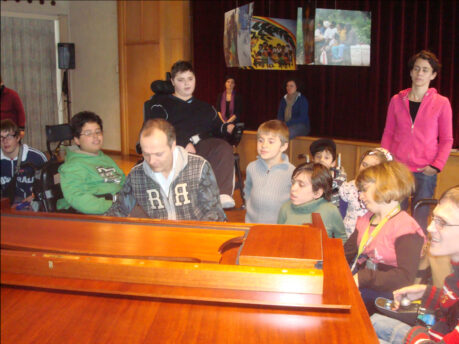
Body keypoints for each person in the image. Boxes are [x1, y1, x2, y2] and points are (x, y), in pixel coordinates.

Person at [371, 185, 459, 344]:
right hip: (435, 333)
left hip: (429, 339)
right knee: (373, 321)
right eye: (434, 218)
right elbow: (454, 307)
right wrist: (426, 292)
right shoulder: (455, 274)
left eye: (442, 222)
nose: (430, 227)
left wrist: (418, 333)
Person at [145, 61, 236, 208]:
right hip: (174, 148)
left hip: (201, 145)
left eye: (190, 79)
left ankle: (221, 194)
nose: (187, 84)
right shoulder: (160, 104)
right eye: (181, 80)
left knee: (223, 147)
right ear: (172, 81)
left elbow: (217, 126)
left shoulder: (205, 107)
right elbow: (157, 129)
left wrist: (228, 128)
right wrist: (181, 141)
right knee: (181, 151)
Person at [381, 50, 453, 231]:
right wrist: (386, 161)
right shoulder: (397, 100)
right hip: (399, 169)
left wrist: (436, 166)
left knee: (420, 216)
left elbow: (446, 139)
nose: (420, 73)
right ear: (411, 72)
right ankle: (391, 250)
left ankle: (417, 251)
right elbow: (388, 133)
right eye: (417, 69)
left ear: (433, 75)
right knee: (394, 213)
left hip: (425, 171)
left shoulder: (442, 103)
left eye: (426, 70)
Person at [344, 161, 426, 315]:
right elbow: (345, 254)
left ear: (385, 188)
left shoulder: (406, 228)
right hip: (363, 286)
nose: (360, 196)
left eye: (364, 190)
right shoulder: (366, 219)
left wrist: (365, 277)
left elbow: (405, 278)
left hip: (385, 297)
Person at [106, 118, 226, 222]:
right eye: (146, 154)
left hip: (195, 237)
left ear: (172, 145)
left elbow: (215, 214)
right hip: (159, 239)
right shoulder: (137, 175)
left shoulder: (199, 167)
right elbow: (119, 209)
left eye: (158, 154)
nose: (151, 161)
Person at [57, 111, 125, 214]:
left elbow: (124, 182)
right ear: (77, 140)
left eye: (98, 132)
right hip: (98, 213)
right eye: (88, 133)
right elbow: (77, 198)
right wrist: (115, 208)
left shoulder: (105, 159)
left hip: (120, 204)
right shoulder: (72, 166)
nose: (95, 136)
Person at [277, 162, 347, 243]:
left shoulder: (330, 210)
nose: (293, 188)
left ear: (317, 193)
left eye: (301, 185)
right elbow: (280, 239)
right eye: (293, 182)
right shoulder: (285, 208)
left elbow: (341, 238)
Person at [244, 120, 295, 224]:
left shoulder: (292, 172)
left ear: (284, 146)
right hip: (252, 227)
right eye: (261, 140)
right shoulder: (251, 167)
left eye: (271, 141)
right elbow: (247, 190)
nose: (264, 145)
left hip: (278, 229)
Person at [339, 148, 393, 237]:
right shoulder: (348, 188)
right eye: (364, 164)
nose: (366, 169)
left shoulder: (386, 193)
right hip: (348, 238)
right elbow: (341, 216)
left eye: (372, 167)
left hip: (372, 239)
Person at [1, 119, 46, 204]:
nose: (5, 142)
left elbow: (51, 184)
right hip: (7, 208)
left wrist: (35, 196)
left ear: (17, 138)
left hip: (34, 206)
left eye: (9, 137)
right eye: (1, 138)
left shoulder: (36, 157)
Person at [310, 138, 346, 208]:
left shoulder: (341, 181)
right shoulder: (309, 177)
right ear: (313, 160)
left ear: (333, 163)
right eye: (318, 157)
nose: (322, 160)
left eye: (326, 157)